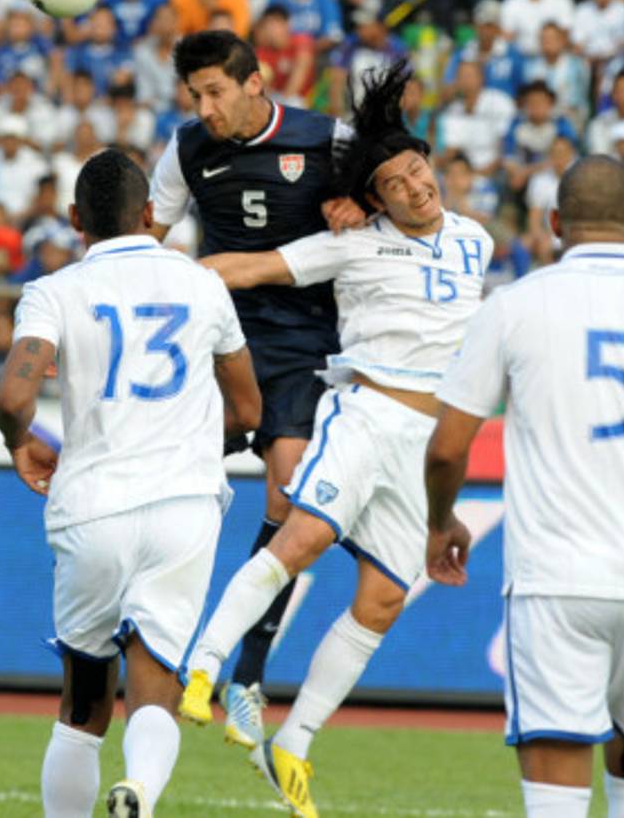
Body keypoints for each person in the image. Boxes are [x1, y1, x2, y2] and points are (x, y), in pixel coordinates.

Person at [187, 62, 493, 818]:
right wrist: (160, 275)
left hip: (429, 444)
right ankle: (204, 665)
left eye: (418, 172)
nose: (416, 188)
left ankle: (295, 741)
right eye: (395, 183)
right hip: (366, 418)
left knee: (384, 599)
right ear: (374, 199)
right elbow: (251, 268)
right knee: (304, 537)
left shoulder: (477, 241)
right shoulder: (351, 243)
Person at [0, 148, 261, 818]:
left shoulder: (54, 291)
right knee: (155, 685)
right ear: (149, 214)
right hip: (183, 507)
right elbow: (250, 410)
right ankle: (138, 790)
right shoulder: (202, 285)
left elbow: (13, 396)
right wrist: (196, 444)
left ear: (77, 219)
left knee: (83, 704)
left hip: (92, 506)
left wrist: (20, 441)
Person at [425, 154, 624, 818]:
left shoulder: (514, 306)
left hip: (557, 580)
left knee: (556, 794)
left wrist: (441, 521)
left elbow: (448, 447)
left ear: (556, 222)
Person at [149, 29, 359, 748]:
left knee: (286, 493)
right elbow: (145, 236)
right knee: (166, 486)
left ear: (255, 81)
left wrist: (360, 204)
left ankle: (246, 674)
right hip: (214, 341)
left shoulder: (326, 138)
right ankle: (152, 649)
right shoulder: (185, 149)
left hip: (302, 343)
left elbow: (402, 186)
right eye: (195, 95)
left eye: (215, 92)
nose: (205, 108)